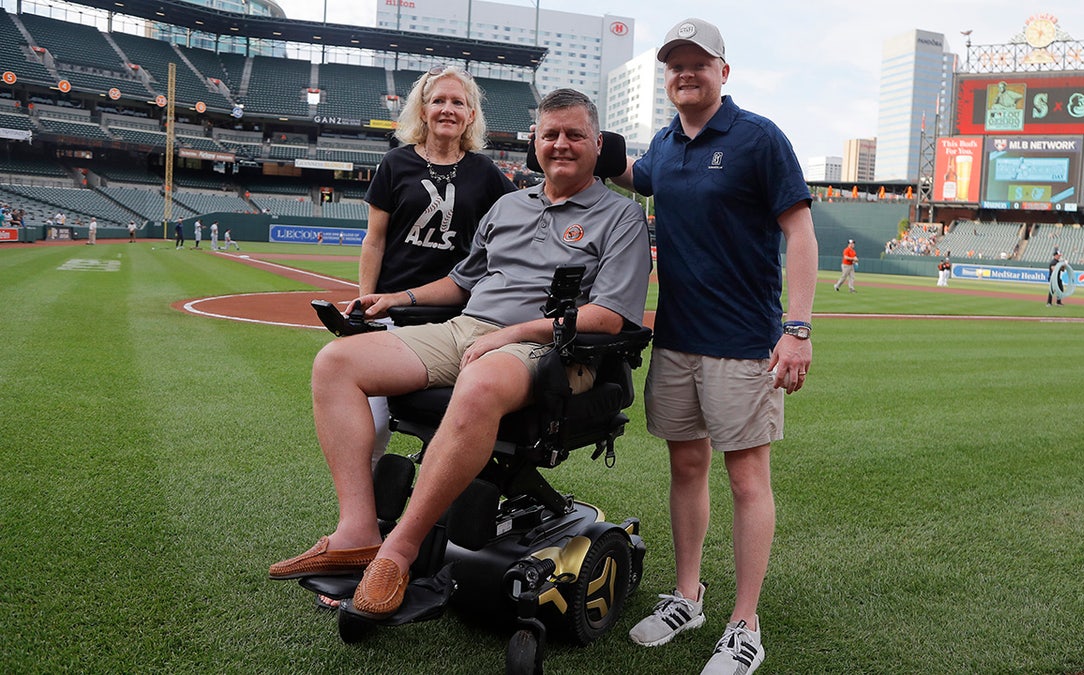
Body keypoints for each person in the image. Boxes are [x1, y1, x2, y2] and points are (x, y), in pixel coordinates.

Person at [268, 89, 652, 623]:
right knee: (338, 362)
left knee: (481, 380)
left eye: (574, 135)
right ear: (535, 143)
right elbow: (461, 281)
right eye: (550, 135)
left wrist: (510, 334)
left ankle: (397, 551)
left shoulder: (623, 217)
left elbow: (609, 317)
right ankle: (358, 531)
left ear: (597, 144)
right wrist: (396, 299)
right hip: (468, 329)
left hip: (557, 350)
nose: (561, 145)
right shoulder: (509, 204)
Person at [612, 18, 817, 675]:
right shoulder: (665, 147)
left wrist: (798, 326)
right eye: (675, 64)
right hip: (676, 339)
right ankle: (689, 595)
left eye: (699, 62)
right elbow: (633, 175)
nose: (686, 73)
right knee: (686, 468)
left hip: (743, 342)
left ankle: (744, 623)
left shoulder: (758, 137)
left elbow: (802, 234)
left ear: (723, 71)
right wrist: (575, 139)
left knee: (747, 478)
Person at [358, 64, 517, 471]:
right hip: (394, 312)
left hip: (457, 318)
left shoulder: (484, 171)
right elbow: (374, 240)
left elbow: (522, 214)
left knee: (451, 424)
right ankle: (369, 519)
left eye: (458, 102)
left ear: (471, 116)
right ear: (423, 110)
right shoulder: (395, 163)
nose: (448, 109)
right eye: (438, 100)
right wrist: (365, 301)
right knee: (375, 426)